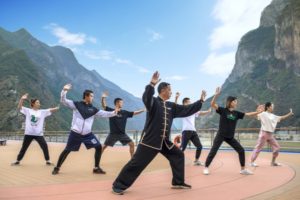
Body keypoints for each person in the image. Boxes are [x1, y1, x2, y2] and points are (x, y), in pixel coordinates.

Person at [112, 71, 207, 195]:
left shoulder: (171, 106)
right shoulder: (153, 102)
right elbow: (146, 98)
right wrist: (151, 84)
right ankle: (118, 185)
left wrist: (200, 101)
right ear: (163, 90)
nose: (171, 92)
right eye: (170, 90)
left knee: (178, 155)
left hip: (164, 142)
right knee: (137, 163)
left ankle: (178, 182)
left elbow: (186, 109)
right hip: (150, 141)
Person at [52, 84, 118, 175]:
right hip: (75, 133)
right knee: (67, 150)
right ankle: (57, 167)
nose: (92, 98)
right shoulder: (76, 105)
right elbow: (63, 101)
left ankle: (96, 168)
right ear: (86, 96)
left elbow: (105, 114)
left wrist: (115, 112)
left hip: (88, 134)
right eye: (91, 96)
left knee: (98, 147)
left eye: (93, 96)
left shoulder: (93, 109)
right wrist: (64, 90)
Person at [203, 87, 264, 175]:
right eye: (235, 101)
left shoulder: (236, 113)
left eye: (236, 101)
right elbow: (213, 104)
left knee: (241, 150)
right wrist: (216, 95)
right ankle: (206, 167)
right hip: (221, 135)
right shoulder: (223, 110)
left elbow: (248, 114)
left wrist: (257, 112)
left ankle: (243, 169)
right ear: (230, 102)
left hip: (230, 136)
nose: (236, 103)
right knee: (213, 151)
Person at [11, 93, 59, 166]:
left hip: (38, 134)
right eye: (37, 102)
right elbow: (20, 107)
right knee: (24, 148)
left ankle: (48, 160)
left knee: (44, 146)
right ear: (33, 104)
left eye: (39, 102)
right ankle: (17, 160)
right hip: (28, 133)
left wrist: (57, 108)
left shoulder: (42, 112)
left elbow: (50, 110)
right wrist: (22, 99)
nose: (39, 103)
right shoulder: (28, 110)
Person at [101, 91, 145, 158]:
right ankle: (98, 157)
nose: (122, 104)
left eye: (122, 102)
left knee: (132, 144)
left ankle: (132, 159)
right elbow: (104, 106)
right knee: (104, 147)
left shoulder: (124, 112)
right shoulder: (111, 111)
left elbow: (134, 113)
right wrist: (103, 97)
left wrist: (142, 110)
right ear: (117, 103)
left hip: (122, 134)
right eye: (121, 102)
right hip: (113, 134)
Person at [250, 102, 294, 167]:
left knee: (277, 148)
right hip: (264, 134)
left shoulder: (273, 116)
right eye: (272, 106)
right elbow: (255, 115)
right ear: (268, 107)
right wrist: (258, 110)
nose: (273, 108)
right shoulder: (263, 114)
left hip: (270, 135)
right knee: (258, 148)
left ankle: (273, 162)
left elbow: (281, 118)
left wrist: (289, 114)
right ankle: (252, 162)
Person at [175, 92, 211, 166]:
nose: (190, 103)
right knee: (182, 148)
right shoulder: (183, 110)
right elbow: (175, 107)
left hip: (193, 131)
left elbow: (200, 113)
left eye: (190, 102)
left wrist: (208, 111)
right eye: (189, 102)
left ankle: (196, 161)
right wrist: (176, 98)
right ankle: (175, 161)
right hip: (186, 131)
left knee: (199, 146)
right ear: (184, 103)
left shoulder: (193, 110)